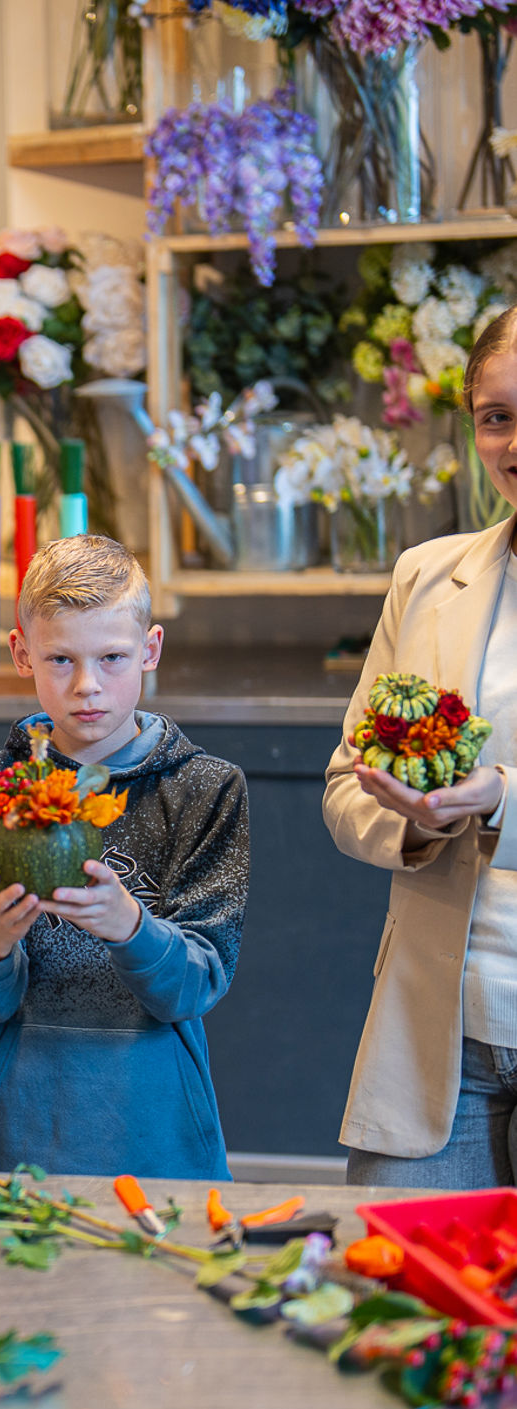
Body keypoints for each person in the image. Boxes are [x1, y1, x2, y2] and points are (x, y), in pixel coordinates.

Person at [0, 535, 249, 1178]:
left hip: (162, 1136)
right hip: (18, 1136)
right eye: (60, 660)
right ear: (22, 654)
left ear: (150, 651)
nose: (87, 686)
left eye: (112, 658)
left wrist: (131, 928)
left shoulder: (206, 789)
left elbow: (197, 984)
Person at [324, 305, 517, 1188]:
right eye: (496, 416)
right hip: (442, 1023)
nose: (513, 442)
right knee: (392, 1298)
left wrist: (500, 798)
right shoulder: (428, 577)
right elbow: (346, 788)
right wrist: (416, 822)